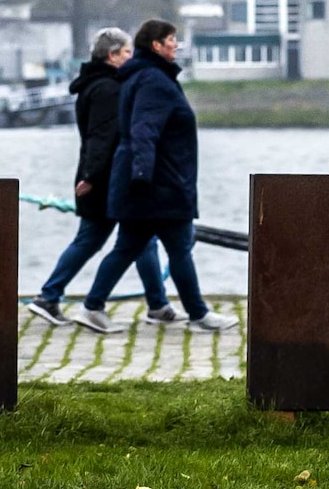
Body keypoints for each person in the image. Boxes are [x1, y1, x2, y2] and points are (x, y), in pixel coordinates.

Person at [80, 18, 235, 331]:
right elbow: (143, 131)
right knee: (179, 247)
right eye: (171, 39)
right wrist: (141, 175)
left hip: (147, 182)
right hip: (158, 184)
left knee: (128, 247)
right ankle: (199, 314)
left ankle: (93, 306)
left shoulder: (140, 76)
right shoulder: (153, 80)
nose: (176, 44)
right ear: (156, 45)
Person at [25, 28, 170, 331]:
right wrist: (91, 177)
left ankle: (157, 304)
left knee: (129, 240)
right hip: (106, 179)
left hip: (103, 175)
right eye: (128, 52)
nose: (132, 57)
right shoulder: (108, 89)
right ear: (112, 55)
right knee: (126, 239)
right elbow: (102, 137)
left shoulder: (97, 85)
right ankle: (55, 298)